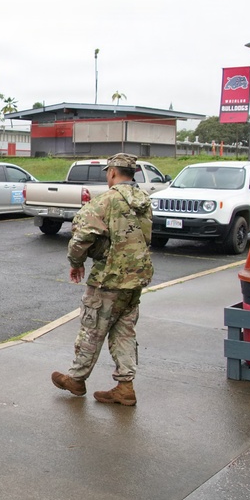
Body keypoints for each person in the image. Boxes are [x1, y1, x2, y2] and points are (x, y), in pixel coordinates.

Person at [51, 153, 154, 406]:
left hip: (109, 277)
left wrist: (76, 263)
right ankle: (125, 386)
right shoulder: (143, 200)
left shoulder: (106, 200)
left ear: (112, 173)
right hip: (136, 279)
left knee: (91, 328)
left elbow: (81, 237)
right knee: (124, 331)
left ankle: (76, 379)